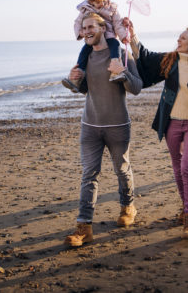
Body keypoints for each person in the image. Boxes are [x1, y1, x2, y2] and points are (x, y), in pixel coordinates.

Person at [124, 18, 188, 240]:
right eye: (179, 37)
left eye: (183, 38)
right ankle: (185, 207)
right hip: (171, 123)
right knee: (177, 168)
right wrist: (132, 35)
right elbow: (146, 57)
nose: (178, 40)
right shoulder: (170, 61)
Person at [64, 13, 143, 247]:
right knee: (89, 175)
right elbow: (85, 89)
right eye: (84, 27)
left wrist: (122, 72)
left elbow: (136, 87)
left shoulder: (120, 53)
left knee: (122, 169)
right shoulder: (85, 56)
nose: (86, 31)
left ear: (102, 28)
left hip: (118, 125)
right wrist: (74, 79)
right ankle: (84, 227)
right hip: (90, 126)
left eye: (91, 27)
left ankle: (128, 207)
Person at [62, 0, 129, 92]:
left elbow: (117, 23)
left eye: (103, 0)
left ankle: (115, 71)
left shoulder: (111, 7)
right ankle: (77, 77)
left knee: (115, 46)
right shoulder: (85, 9)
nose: (101, 4)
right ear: (90, 1)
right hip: (92, 37)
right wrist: (81, 33)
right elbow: (78, 22)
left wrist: (123, 36)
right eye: (98, 2)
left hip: (109, 35)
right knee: (84, 51)